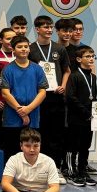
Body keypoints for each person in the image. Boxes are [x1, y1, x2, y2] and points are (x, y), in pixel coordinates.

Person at [27, 15, 71, 177]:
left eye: (51, 27)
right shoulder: (30, 49)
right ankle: (39, 167)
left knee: (56, 133)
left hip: (56, 97)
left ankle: (55, 168)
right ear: (37, 29)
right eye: (46, 27)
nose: (49, 30)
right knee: (40, 132)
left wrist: (63, 86)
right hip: (39, 97)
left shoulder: (60, 49)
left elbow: (67, 71)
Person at [0, 36, 48, 162]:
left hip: (33, 116)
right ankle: (11, 174)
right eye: (20, 47)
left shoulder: (37, 69)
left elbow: (42, 92)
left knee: (31, 149)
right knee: (12, 151)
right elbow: (5, 93)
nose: (24, 49)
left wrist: (28, 109)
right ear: (13, 50)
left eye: (26, 46)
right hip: (12, 117)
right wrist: (21, 111)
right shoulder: (7, 69)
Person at [65, 46, 97, 186]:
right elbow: (70, 97)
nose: (91, 59)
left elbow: (93, 97)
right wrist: (85, 112)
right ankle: (72, 173)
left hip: (89, 119)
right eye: (87, 56)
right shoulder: (74, 76)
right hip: (76, 118)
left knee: (85, 146)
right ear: (79, 59)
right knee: (73, 146)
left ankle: (82, 171)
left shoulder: (93, 77)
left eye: (92, 56)